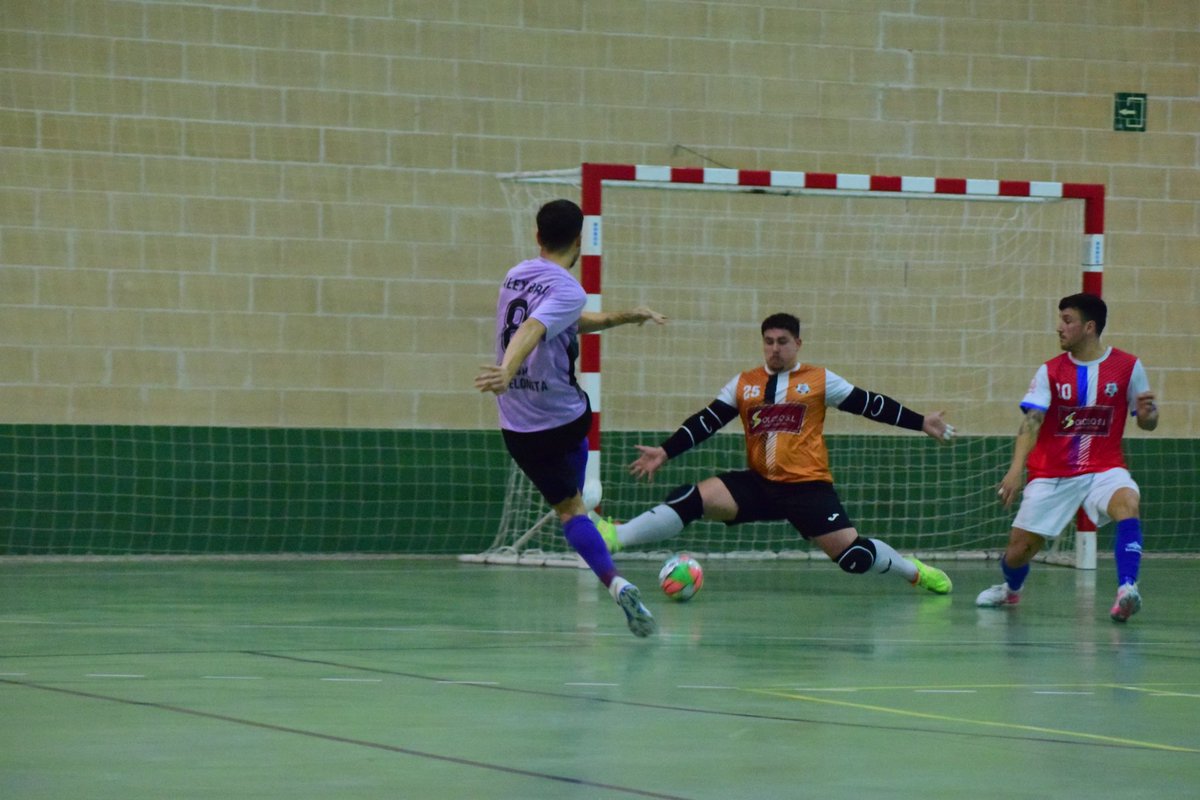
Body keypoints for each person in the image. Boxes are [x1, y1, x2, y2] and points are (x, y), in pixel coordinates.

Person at [596, 312, 956, 595]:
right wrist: (665, 451)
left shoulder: (819, 380)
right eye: (768, 342)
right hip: (760, 484)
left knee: (854, 558)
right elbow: (707, 421)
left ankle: (913, 571)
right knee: (690, 498)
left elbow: (870, 404)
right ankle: (617, 536)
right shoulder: (744, 383)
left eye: (783, 342)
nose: (775, 349)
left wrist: (921, 422)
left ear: (797, 344)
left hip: (808, 488)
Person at [474, 199, 667, 637]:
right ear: (580, 240)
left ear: (537, 235)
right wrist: (507, 368)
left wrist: (625, 316)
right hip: (566, 417)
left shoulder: (514, 275)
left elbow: (562, 321)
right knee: (575, 508)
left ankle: (613, 578)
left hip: (519, 427)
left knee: (569, 509)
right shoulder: (568, 288)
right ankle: (590, 523)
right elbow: (533, 328)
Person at [976, 293, 1158, 622]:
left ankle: (1127, 589)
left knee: (1128, 502)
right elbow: (1031, 422)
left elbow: (1147, 421)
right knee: (1017, 553)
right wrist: (1016, 470)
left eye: (1067, 320)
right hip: (1052, 473)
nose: (1059, 327)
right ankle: (1011, 589)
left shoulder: (1129, 367)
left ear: (1089, 327)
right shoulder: (1050, 372)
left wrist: (1148, 416)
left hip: (1105, 468)